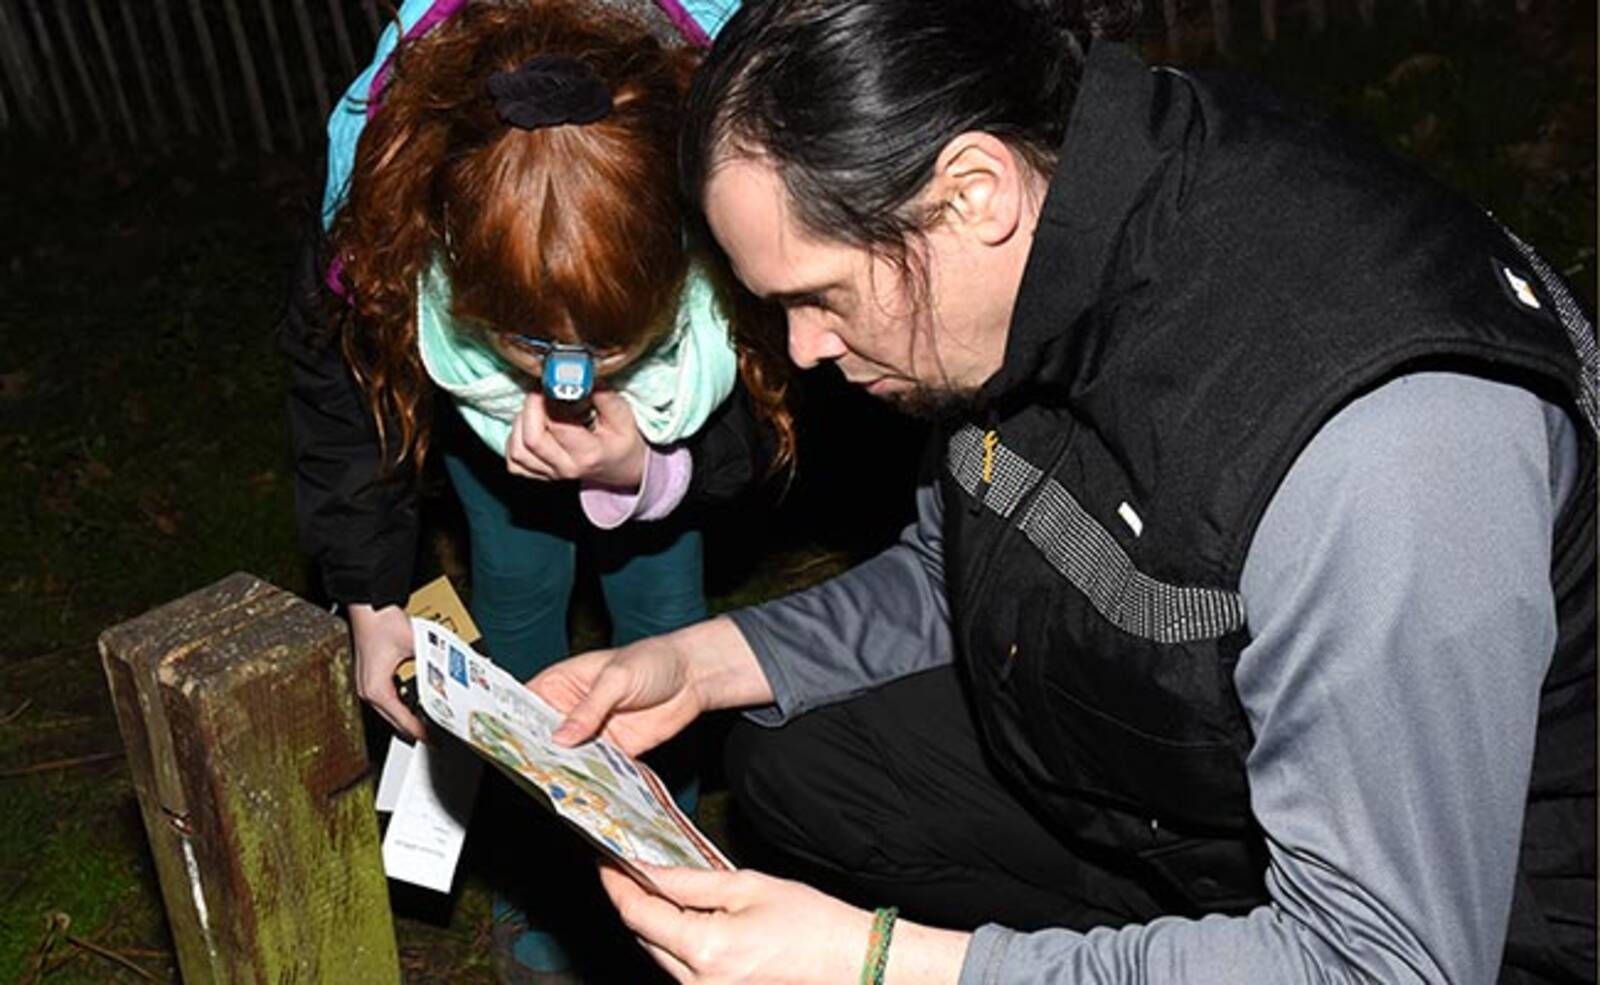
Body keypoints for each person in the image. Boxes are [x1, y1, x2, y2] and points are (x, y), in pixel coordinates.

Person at [528, 1, 1598, 982]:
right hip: (1203, 778)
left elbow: (1386, 962)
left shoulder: (1382, 445)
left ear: (971, 194)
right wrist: (698, 663)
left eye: (821, 296)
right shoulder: (1058, 220)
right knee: (801, 759)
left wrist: (883, 963)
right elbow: (968, 561)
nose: (804, 348)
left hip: (1477, 921)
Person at [283, 0, 782, 979]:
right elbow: (339, 389)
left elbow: (790, 398)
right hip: (489, 449)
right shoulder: (382, 200)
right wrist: (370, 599)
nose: (565, 388)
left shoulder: (747, 161)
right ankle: (539, 882)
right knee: (515, 616)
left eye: (608, 346)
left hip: (665, 436)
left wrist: (652, 471)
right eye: (528, 345)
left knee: (664, 629)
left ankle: (663, 874)